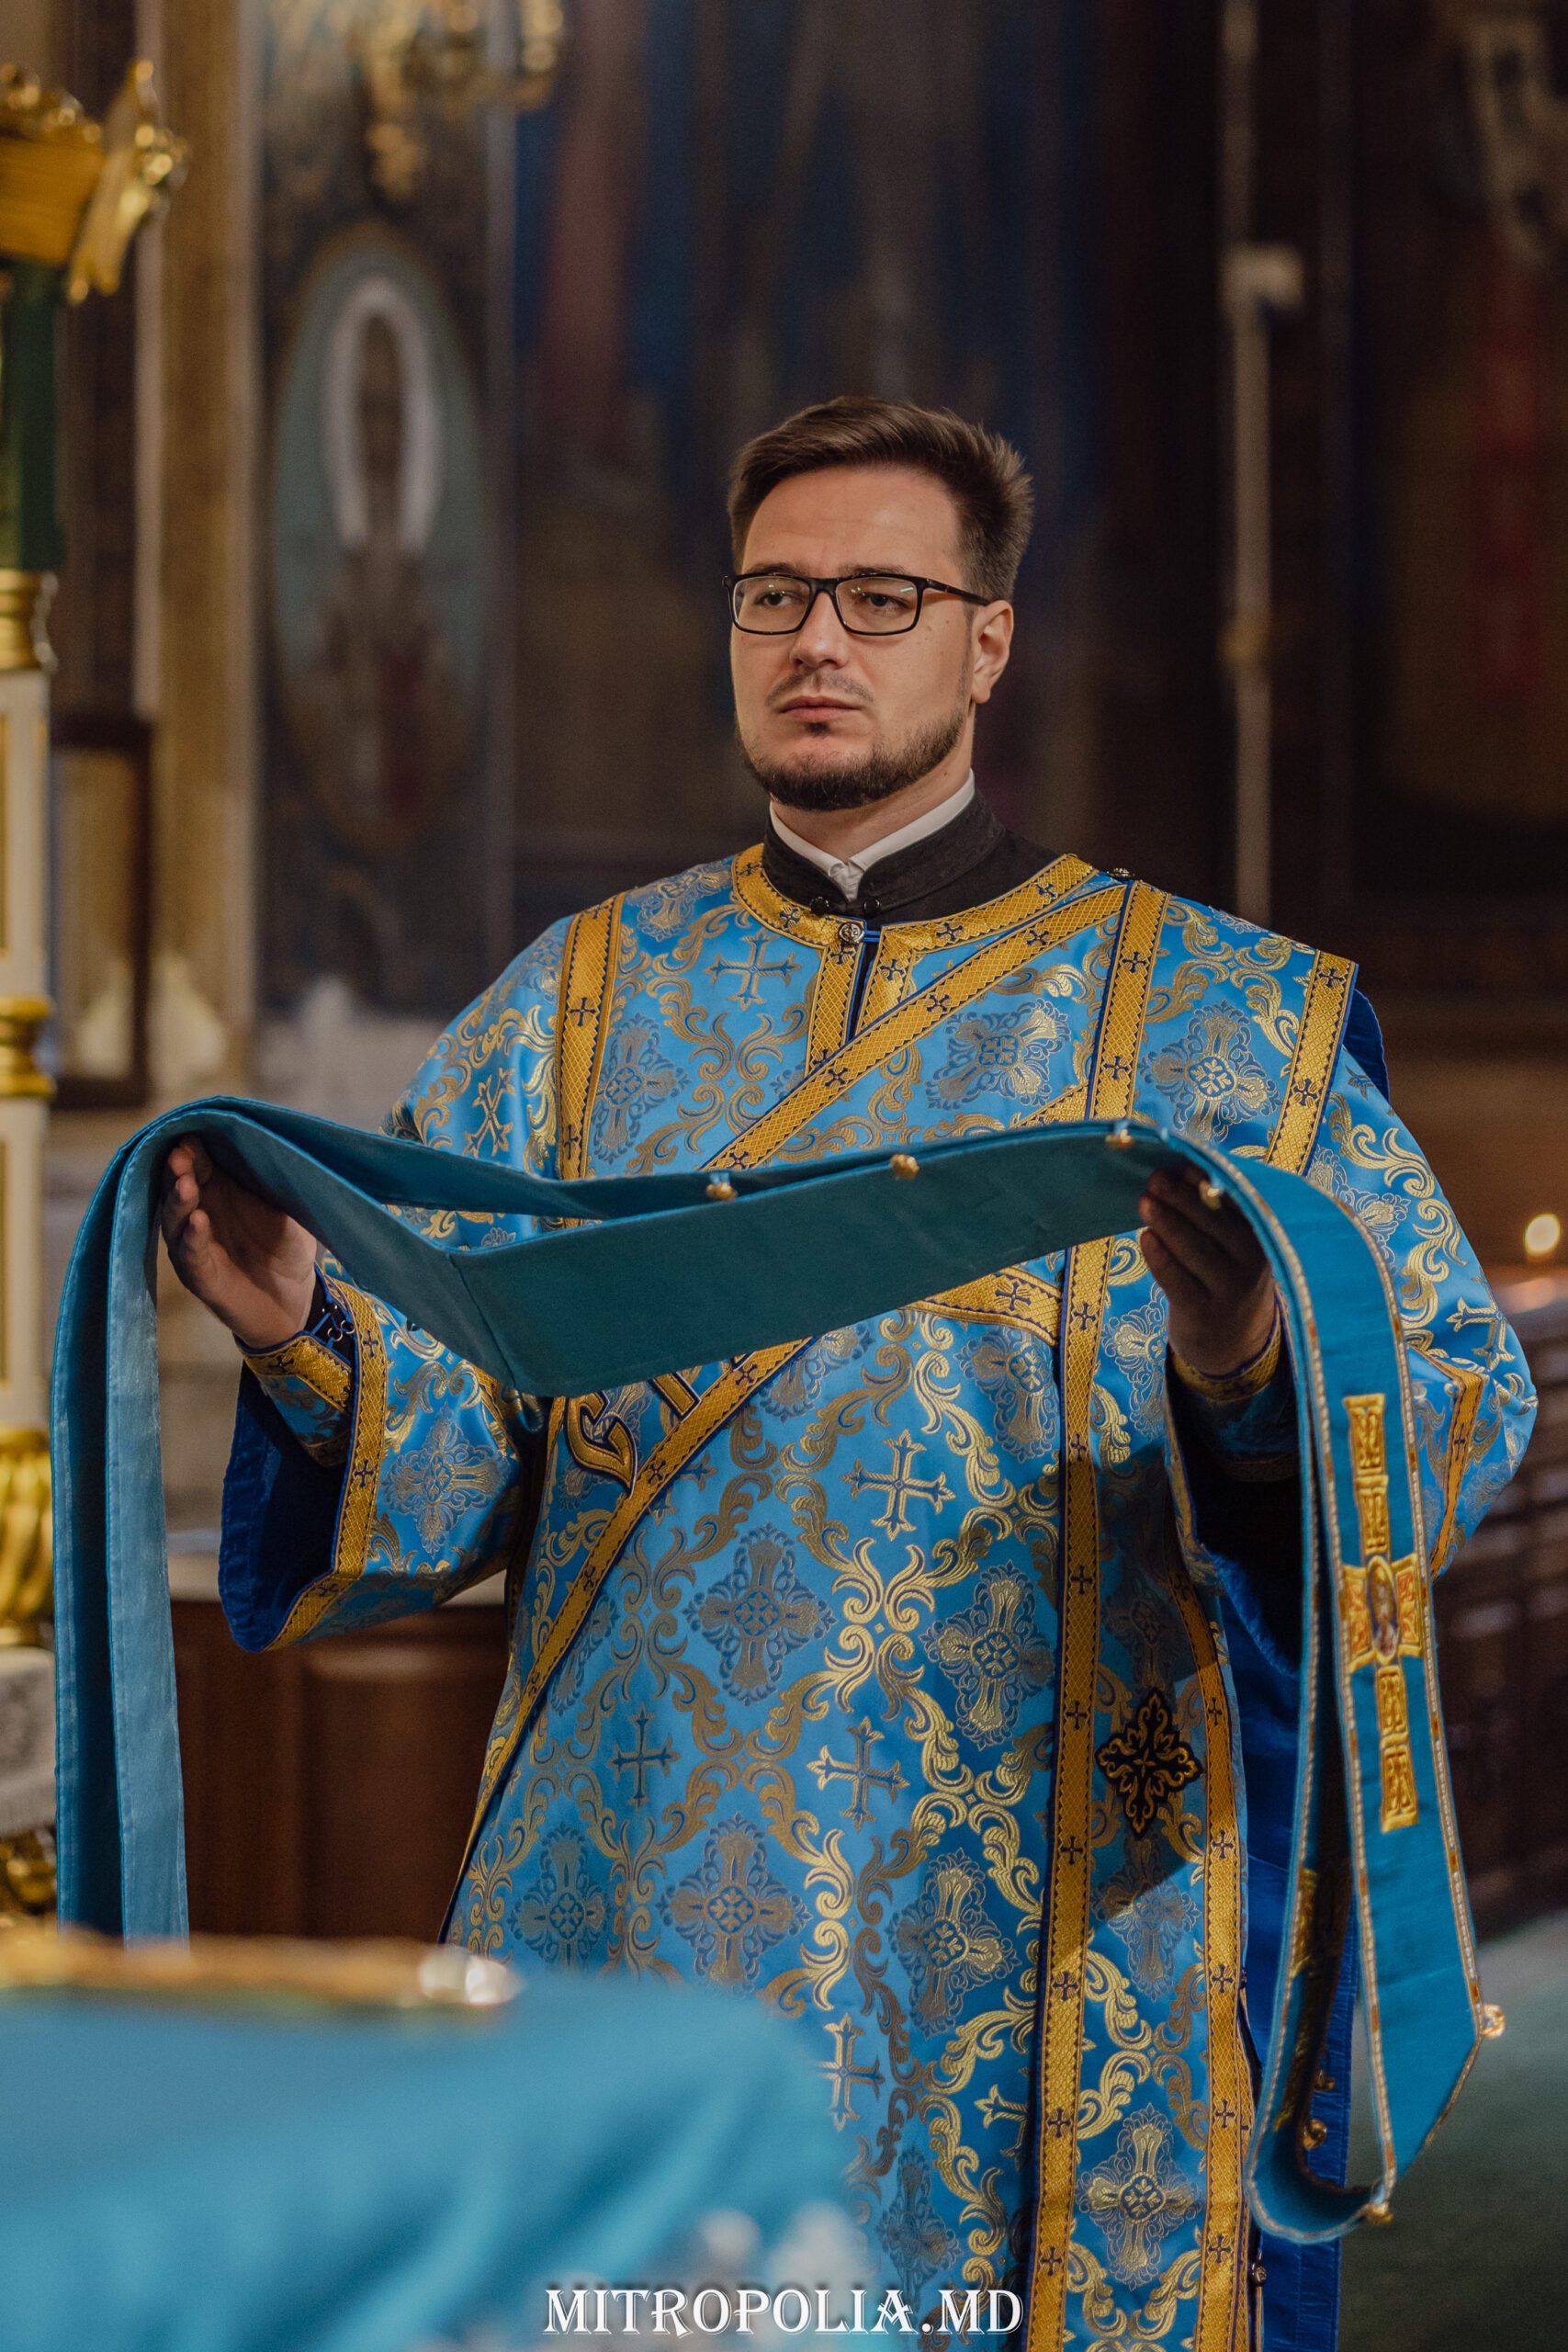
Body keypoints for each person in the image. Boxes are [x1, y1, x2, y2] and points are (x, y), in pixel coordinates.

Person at [163, 398, 1534, 2348]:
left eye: (881, 598)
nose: (817, 639)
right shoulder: (570, 1010)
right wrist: (299, 1319)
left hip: (1060, 1878)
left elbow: (1449, 1402)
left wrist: (1240, 1365)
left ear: (986, 642)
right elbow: (456, 1439)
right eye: (774, 596)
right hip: (641, 1860)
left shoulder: (1220, 1018)